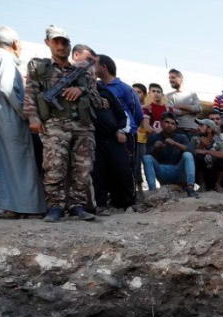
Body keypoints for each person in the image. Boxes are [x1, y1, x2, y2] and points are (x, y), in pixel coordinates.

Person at [23, 25, 102, 222]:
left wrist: (81, 91)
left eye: (64, 42)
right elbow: (30, 93)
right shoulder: (40, 68)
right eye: (56, 41)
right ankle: (55, 206)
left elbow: (98, 98)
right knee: (54, 166)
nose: (61, 46)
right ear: (48, 43)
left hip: (82, 125)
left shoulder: (82, 72)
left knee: (83, 168)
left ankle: (77, 205)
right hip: (55, 124)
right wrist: (32, 117)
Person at [0, 25, 45, 218]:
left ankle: (10, 207)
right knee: (22, 164)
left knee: (5, 165)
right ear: (15, 43)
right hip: (12, 120)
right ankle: (30, 208)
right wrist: (26, 112)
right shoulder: (6, 59)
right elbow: (6, 87)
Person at [92, 60, 135, 213]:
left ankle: (127, 203)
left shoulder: (105, 92)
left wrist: (121, 130)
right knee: (98, 172)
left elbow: (122, 114)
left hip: (114, 137)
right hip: (93, 140)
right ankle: (101, 205)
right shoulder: (77, 93)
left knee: (122, 169)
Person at [142, 111, 197, 197]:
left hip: (178, 172)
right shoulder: (154, 137)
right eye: (167, 122)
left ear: (175, 126)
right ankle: (152, 191)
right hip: (162, 171)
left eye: (173, 123)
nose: (169, 125)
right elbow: (146, 157)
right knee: (147, 158)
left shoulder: (181, 137)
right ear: (161, 123)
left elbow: (192, 151)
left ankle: (190, 187)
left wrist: (175, 144)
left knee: (188, 155)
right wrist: (155, 148)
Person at [192, 117, 223, 193]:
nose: (198, 128)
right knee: (198, 157)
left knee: (222, 159)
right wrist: (201, 146)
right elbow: (193, 153)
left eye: (201, 126)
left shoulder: (218, 140)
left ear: (209, 129)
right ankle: (202, 185)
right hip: (203, 173)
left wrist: (207, 152)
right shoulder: (195, 139)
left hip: (215, 172)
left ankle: (218, 184)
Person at [166, 69, 201, 136]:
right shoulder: (169, 96)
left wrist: (182, 106)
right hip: (178, 130)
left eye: (173, 77)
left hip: (193, 130)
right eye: (169, 78)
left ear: (181, 78)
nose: (170, 80)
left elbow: (199, 108)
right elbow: (171, 111)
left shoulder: (192, 94)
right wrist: (189, 111)